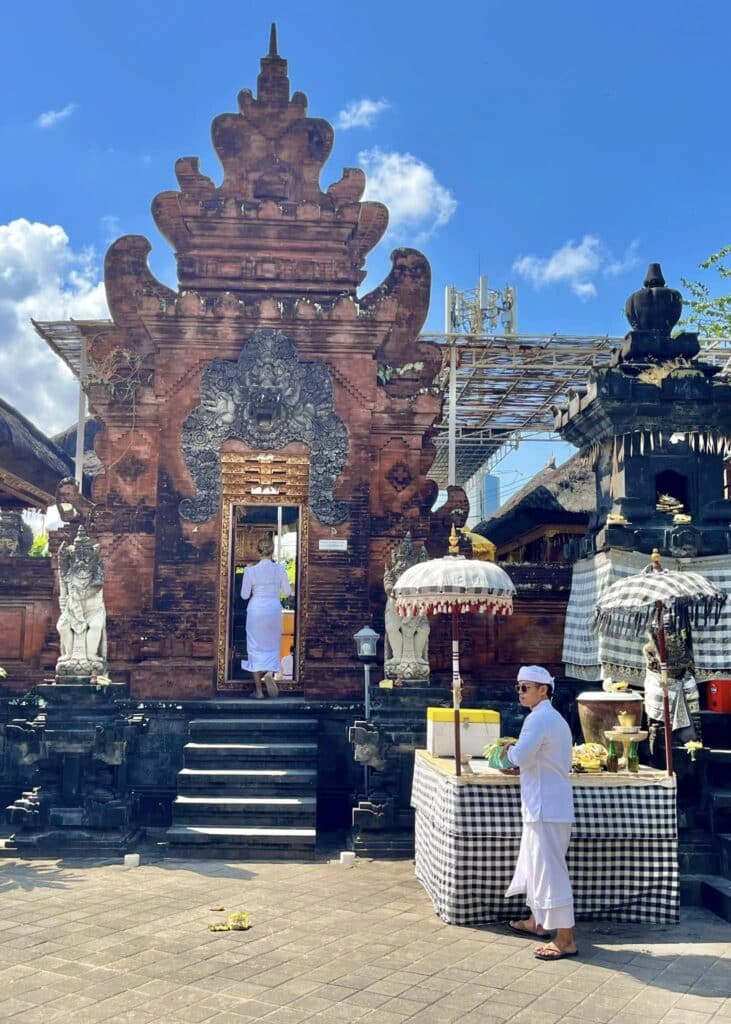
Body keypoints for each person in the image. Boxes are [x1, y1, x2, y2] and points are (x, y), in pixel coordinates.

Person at [500, 665, 578, 961]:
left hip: (546, 807)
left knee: (550, 872)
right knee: (535, 867)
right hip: (547, 805)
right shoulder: (554, 719)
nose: (520, 692)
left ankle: (566, 938)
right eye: (518, 687)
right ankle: (538, 922)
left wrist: (507, 750)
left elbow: (520, 756)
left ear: (543, 689)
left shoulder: (539, 719)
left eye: (525, 687)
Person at [240, 536, 291, 699]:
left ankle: (259, 692)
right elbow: (288, 592)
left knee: (255, 649)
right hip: (273, 609)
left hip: (256, 611)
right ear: (272, 551)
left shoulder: (250, 571)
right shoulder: (281, 569)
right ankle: (268, 672)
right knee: (272, 646)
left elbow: (244, 595)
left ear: (258, 551)